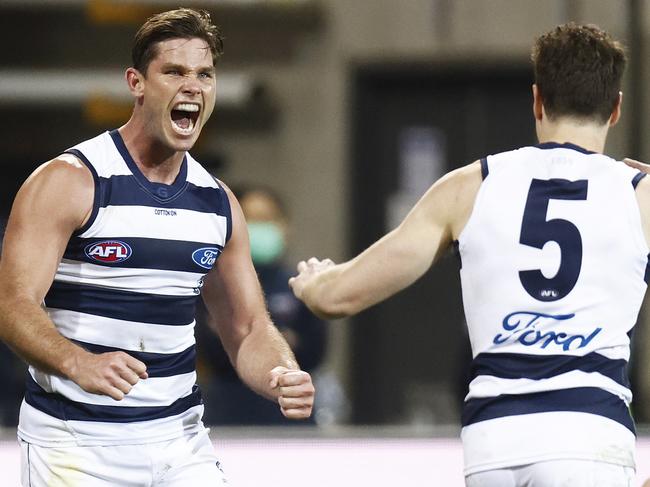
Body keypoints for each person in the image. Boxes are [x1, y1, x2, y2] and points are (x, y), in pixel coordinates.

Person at [290, 23, 644, 486]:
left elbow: (338, 298)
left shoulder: (470, 186)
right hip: (591, 434)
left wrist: (315, 282)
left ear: (537, 101)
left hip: (493, 442)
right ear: (616, 109)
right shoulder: (639, 196)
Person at [0, 8, 314, 487]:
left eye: (204, 74)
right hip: (75, 442)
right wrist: (76, 361)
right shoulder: (69, 182)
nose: (193, 85)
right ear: (136, 82)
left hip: (179, 441)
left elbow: (247, 326)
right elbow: (11, 305)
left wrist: (282, 372)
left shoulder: (218, 204)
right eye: (174, 71)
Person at [197, 185, 327, 425]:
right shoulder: (211, 284)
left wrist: (245, 338)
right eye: (251, 220)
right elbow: (212, 351)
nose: (259, 228)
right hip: (227, 413)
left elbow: (314, 350)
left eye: (267, 219)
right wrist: (283, 337)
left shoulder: (301, 283)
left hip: (291, 416)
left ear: (285, 225)